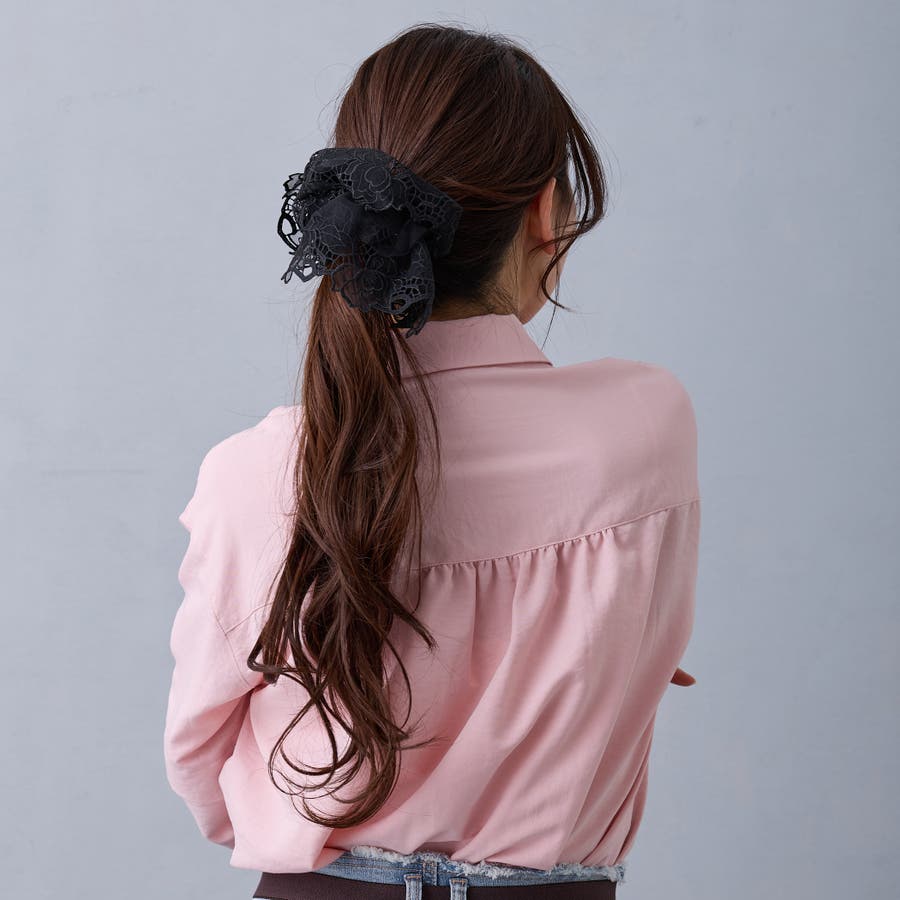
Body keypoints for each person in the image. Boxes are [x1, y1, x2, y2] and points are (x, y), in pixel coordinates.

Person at [163, 23, 700, 900]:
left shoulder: (255, 473)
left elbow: (200, 757)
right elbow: (644, 645)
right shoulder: (645, 427)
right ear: (544, 212)